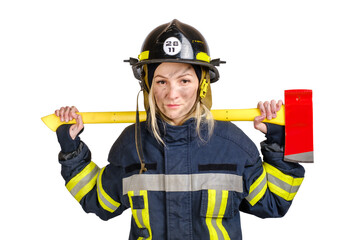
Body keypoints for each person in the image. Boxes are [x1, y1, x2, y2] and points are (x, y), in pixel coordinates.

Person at [54, 19, 305, 240]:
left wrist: (281, 140)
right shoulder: (132, 144)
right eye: (161, 81)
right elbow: (99, 202)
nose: (172, 94)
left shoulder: (232, 145)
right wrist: (72, 151)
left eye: (184, 80)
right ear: (148, 86)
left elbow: (274, 204)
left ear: (202, 84)